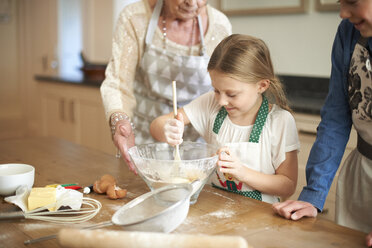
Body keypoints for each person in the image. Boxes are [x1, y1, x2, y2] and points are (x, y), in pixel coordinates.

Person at [150, 34, 300, 203]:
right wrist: (167, 129)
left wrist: (243, 173)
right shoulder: (210, 104)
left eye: (232, 94)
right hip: (215, 209)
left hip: (260, 220)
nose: (221, 101)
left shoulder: (280, 122)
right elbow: (157, 125)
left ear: (261, 85)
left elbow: (288, 186)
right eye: (216, 90)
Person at [272, 0, 372, 246]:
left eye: (352, 2)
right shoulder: (348, 33)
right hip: (362, 176)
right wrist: (313, 194)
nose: (342, 13)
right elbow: (336, 118)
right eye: (340, 2)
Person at [100, 0, 232, 173]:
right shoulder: (136, 17)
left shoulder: (220, 26)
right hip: (143, 145)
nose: (192, 3)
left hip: (199, 150)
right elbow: (118, 82)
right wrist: (119, 120)